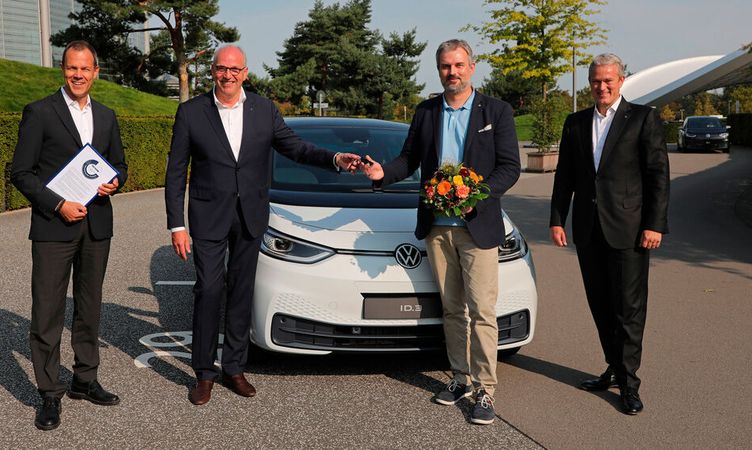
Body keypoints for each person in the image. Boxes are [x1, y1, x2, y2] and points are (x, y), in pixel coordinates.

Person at [164, 45, 360, 406]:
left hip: (250, 215)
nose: (227, 75)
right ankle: (204, 373)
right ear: (212, 71)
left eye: (234, 69)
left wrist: (335, 158)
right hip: (208, 215)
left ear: (245, 73)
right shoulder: (191, 112)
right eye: (221, 69)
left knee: (241, 292)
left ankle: (234, 368)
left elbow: (296, 148)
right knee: (209, 290)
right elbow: (176, 171)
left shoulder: (264, 110)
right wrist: (176, 225)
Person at [362, 39, 520, 425]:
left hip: (478, 226)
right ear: (439, 70)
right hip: (437, 228)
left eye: (459, 65)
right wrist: (383, 173)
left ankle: (485, 389)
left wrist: (475, 196)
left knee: (481, 310)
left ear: (472, 67)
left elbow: (509, 167)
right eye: (446, 66)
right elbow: (409, 159)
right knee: (452, 309)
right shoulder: (426, 111)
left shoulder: (495, 111)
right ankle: (460, 378)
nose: (453, 72)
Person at [11, 40, 127, 430]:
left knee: (90, 306)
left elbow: (120, 165)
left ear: (96, 72)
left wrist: (116, 181)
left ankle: (85, 379)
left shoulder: (107, 116)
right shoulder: (40, 112)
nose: (78, 75)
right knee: (47, 311)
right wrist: (58, 204)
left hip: (97, 226)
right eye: (71, 68)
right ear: (63, 70)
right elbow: (21, 172)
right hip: (53, 226)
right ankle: (49, 392)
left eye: (85, 68)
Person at [549, 53, 670, 415]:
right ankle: (614, 367)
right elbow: (565, 175)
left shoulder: (643, 118)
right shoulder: (575, 122)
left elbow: (658, 176)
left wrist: (654, 224)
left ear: (621, 80)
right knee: (600, 305)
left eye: (608, 80)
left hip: (630, 231)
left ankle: (629, 384)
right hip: (589, 230)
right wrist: (557, 218)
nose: (601, 87)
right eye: (596, 81)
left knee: (628, 309)